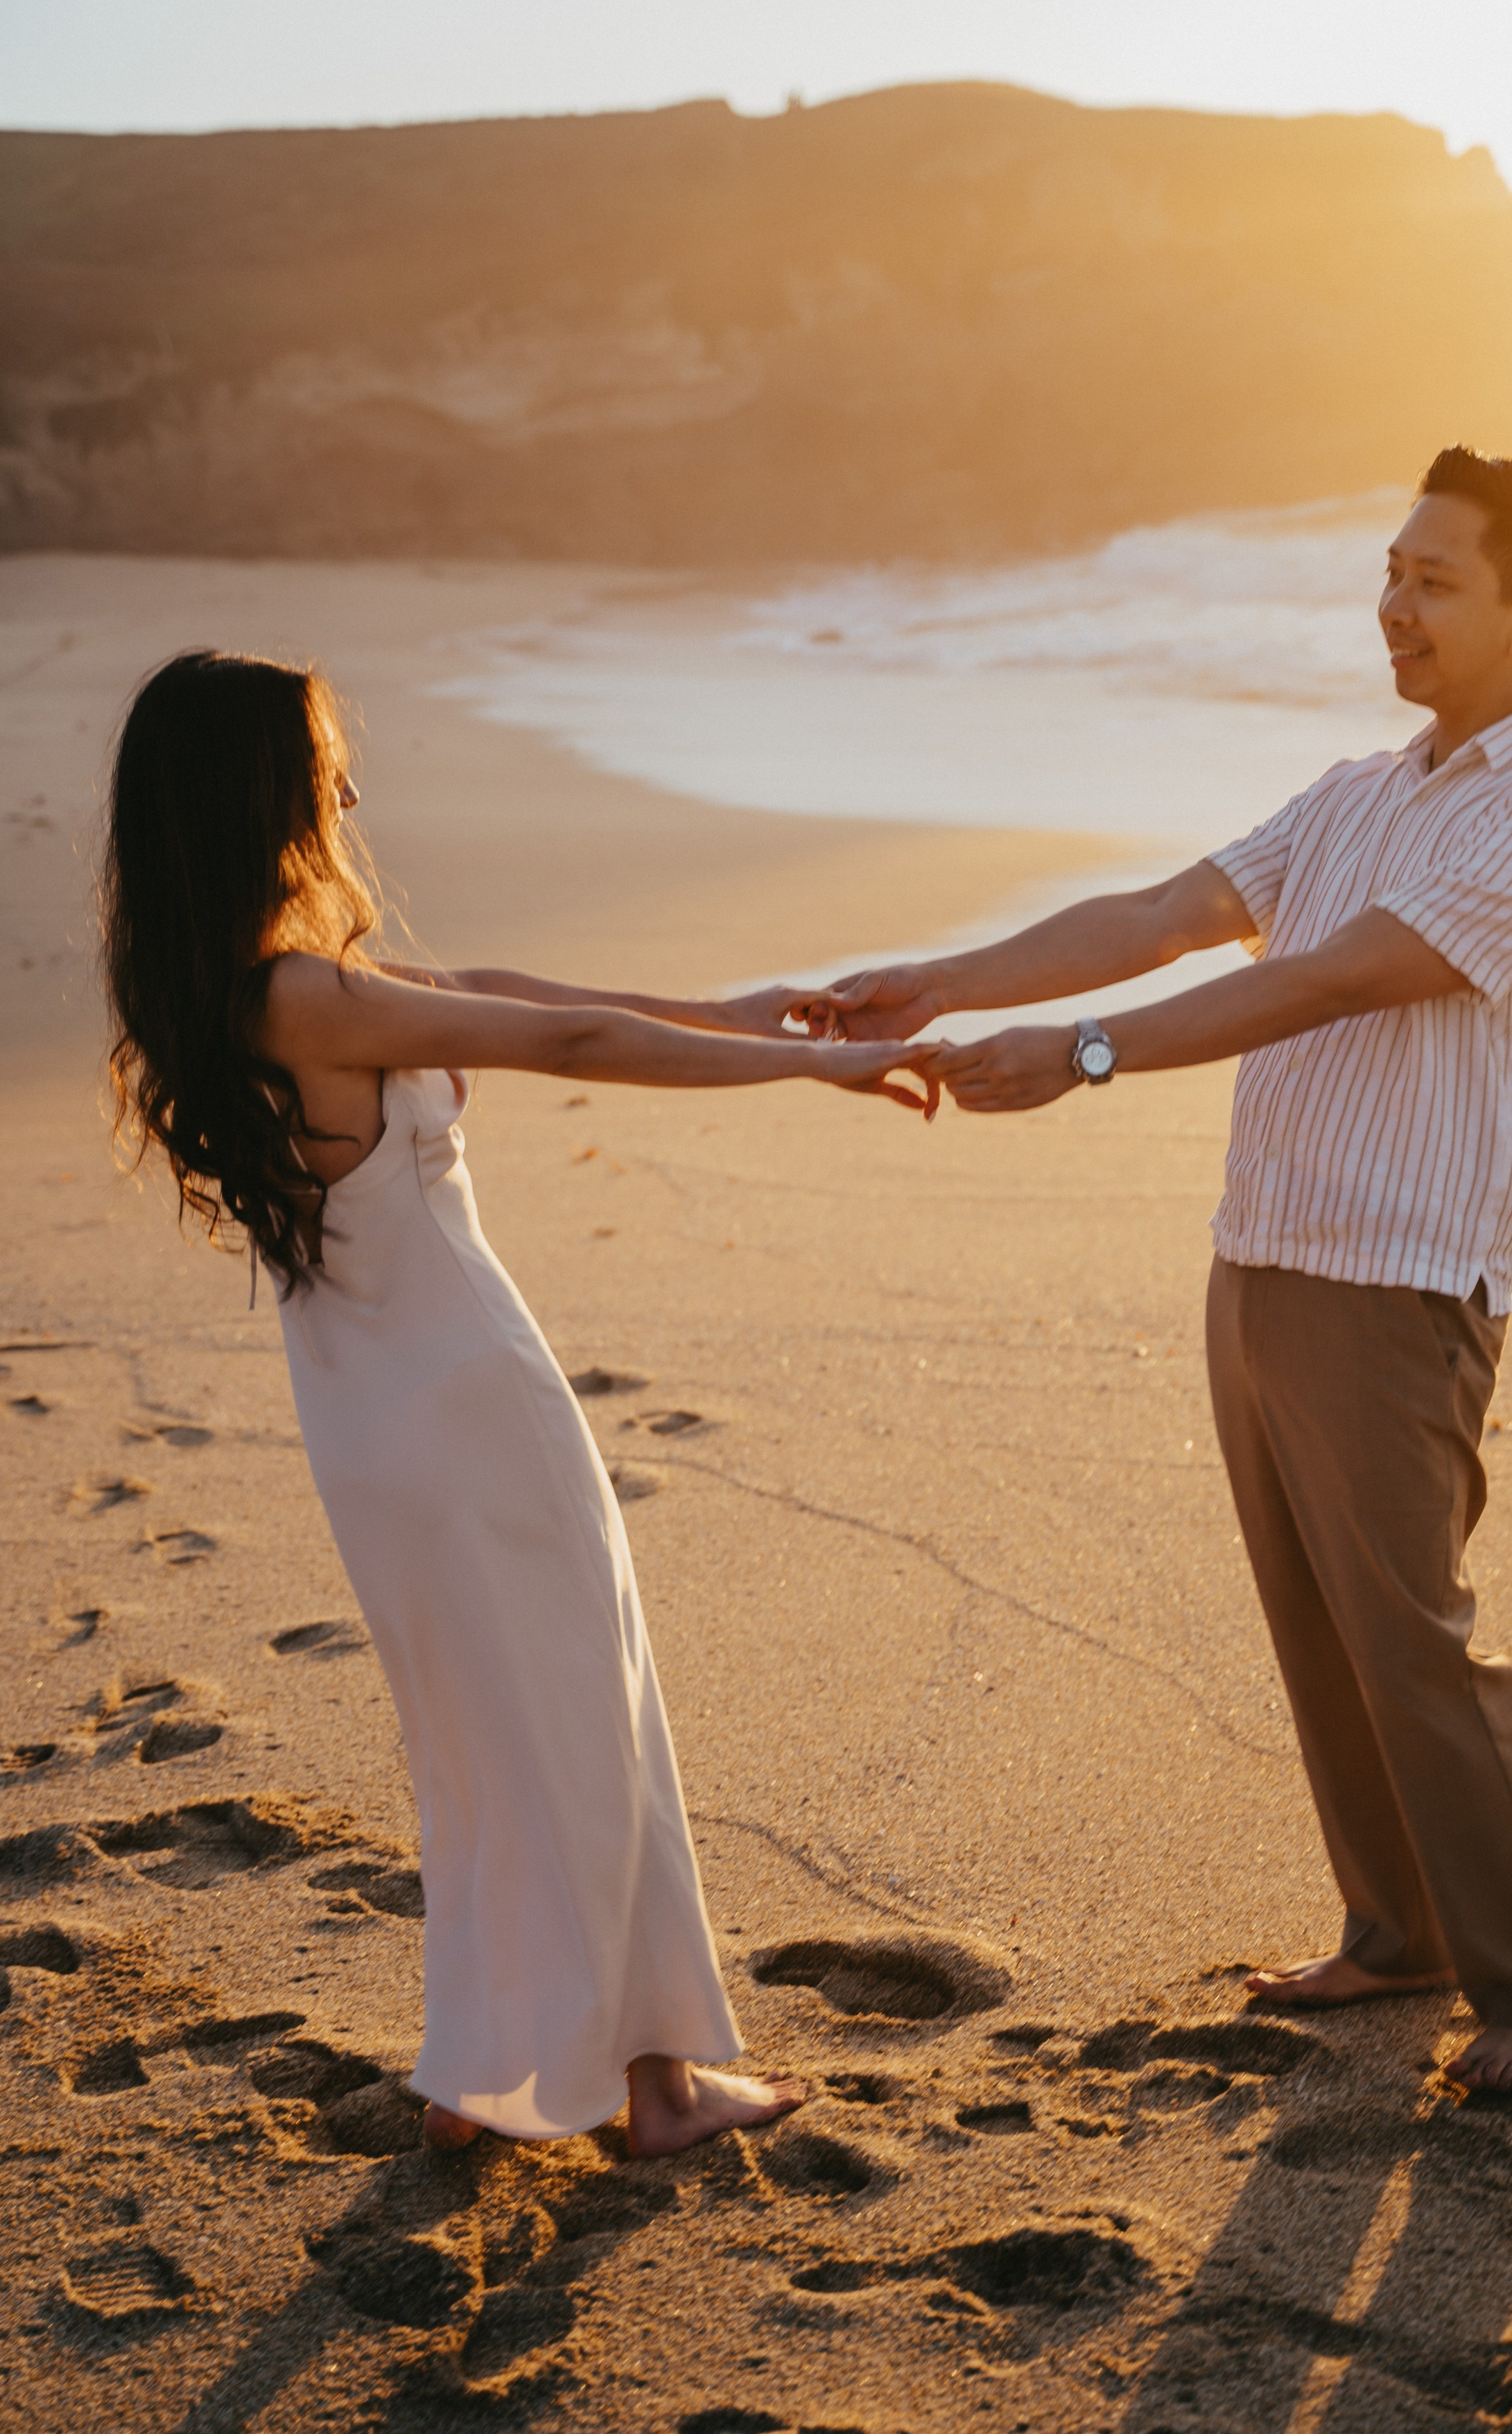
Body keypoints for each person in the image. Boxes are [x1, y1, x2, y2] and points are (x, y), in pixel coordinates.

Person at [811, 449, 1512, 2093]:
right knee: (1314, 1622)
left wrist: (1086, 1054)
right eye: (1389, 570)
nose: (1392, 605)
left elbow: (1333, 981)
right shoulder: (1354, 790)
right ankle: (1394, 1934)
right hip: (1260, 1254)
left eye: (1434, 581)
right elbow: (1173, 907)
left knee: (1411, 1634)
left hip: (1394, 1282)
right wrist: (938, 981)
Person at [101, 650, 935, 2153]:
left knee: (487, 1738)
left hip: (379, 1435)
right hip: (474, 1408)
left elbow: (515, 996)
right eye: (318, 765)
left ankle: (481, 2073)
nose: (346, 789)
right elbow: (557, 1045)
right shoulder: (306, 997)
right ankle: (657, 2087)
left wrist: (741, 1011)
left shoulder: (261, 994)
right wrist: (820, 1069)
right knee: (578, 1716)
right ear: (255, 799)